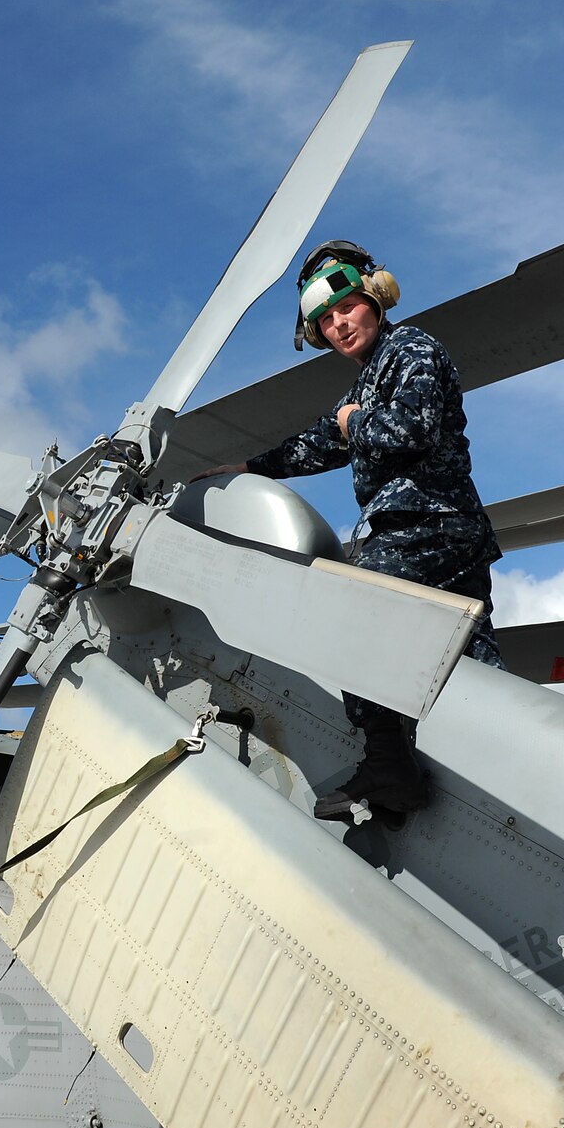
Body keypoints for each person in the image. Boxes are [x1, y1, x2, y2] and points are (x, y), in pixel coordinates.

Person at [198, 240, 503, 824]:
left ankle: (388, 763)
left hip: (424, 528)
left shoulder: (413, 349)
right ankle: (498, 764)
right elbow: (316, 444)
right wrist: (247, 470)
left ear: (375, 299)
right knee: (472, 662)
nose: (337, 325)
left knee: (349, 611)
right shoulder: (368, 380)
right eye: (324, 321)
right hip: (438, 534)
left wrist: (354, 421)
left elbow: (409, 430)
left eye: (346, 309)